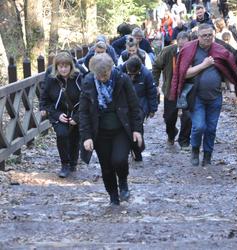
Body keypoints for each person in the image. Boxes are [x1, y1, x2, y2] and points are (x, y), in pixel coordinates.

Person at [169, 24, 237, 166]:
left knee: (211, 128)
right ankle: (195, 150)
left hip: (215, 97)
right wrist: (203, 65)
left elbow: (227, 72)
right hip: (197, 97)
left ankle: (208, 155)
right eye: (204, 35)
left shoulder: (219, 50)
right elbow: (184, 73)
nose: (208, 38)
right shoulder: (190, 49)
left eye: (210, 35)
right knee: (198, 127)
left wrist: (232, 91)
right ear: (198, 36)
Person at [79, 53, 143, 205]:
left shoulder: (122, 79)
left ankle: (123, 181)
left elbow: (135, 107)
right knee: (106, 167)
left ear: (111, 68)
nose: (103, 78)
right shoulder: (88, 82)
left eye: (105, 74)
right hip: (100, 132)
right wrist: (86, 136)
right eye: (99, 75)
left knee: (119, 160)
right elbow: (83, 112)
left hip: (121, 129)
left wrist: (137, 129)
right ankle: (113, 196)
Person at [40, 52, 82, 178]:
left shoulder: (79, 77)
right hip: (58, 113)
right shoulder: (51, 79)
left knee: (75, 137)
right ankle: (65, 164)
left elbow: (87, 99)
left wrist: (77, 118)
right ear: (56, 67)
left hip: (75, 113)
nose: (63, 69)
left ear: (71, 66)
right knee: (62, 134)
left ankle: (73, 162)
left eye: (66, 66)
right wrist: (56, 114)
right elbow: (45, 98)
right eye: (60, 67)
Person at [152, 31, 191, 147]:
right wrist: (155, 84)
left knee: (188, 116)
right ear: (177, 42)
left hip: (188, 89)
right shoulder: (168, 51)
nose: (183, 49)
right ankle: (171, 133)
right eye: (181, 46)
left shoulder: (193, 52)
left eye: (186, 46)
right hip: (171, 89)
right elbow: (156, 66)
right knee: (169, 117)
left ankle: (184, 140)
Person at [120, 56, 158, 161]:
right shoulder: (119, 70)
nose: (131, 78)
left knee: (137, 125)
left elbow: (152, 92)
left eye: (134, 75)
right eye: (129, 74)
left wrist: (152, 109)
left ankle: (137, 151)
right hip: (124, 103)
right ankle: (128, 149)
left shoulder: (147, 74)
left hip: (141, 103)